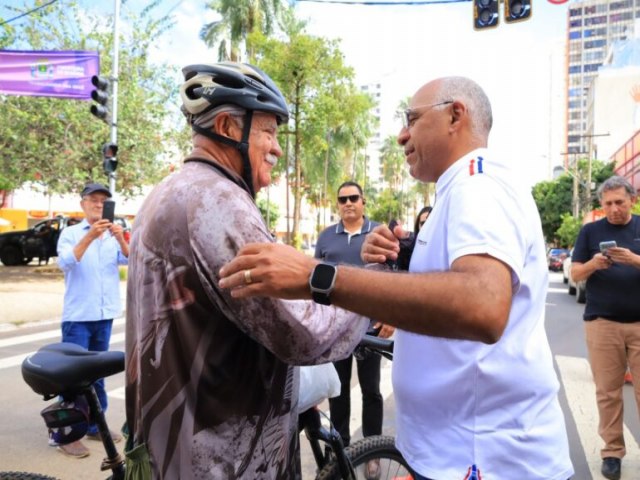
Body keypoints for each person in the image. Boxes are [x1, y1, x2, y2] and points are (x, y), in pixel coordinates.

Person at [219, 76, 574, 480]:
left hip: (484, 459)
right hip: (455, 452)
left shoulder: (478, 186)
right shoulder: (457, 190)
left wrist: (317, 277)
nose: (402, 135)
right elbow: (454, 287)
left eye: (412, 119)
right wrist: (403, 257)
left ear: (455, 114)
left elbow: (482, 304)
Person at [124, 61, 369, 479]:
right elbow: (301, 334)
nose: (276, 148)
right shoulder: (217, 203)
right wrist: (365, 304)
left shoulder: (170, 190)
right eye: (269, 132)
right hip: (223, 461)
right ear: (226, 126)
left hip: (172, 448)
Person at [315, 180, 394, 479]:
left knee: (372, 391)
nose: (348, 203)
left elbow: (393, 277)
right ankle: (342, 450)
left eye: (353, 198)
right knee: (338, 392)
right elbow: (316, 281)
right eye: (342, 199)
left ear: (363, 201)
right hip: (335, 331)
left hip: (370, 330)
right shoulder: (325, 238)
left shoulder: (378, 234)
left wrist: (390, 318)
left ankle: (372, 451)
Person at [570, 175, 640, 480]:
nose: (614, 209)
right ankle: (612, 452)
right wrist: (594, 265)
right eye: (608, 203)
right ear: (601, 204)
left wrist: (635, 260)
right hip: (602, 323)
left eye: (619, 203)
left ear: (632, 200)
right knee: (608, 393)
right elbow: (574, 274)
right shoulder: (589, 232)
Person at [54, 182, 128, 458]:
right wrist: (89, 238)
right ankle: (66, 434)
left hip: (104, 314)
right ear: (82, 203)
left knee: (97, 373)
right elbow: (64, 263)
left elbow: (131, 260)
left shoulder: (112, 234)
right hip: (78, 316)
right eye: (94, 200)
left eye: (103, 201)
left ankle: (96, 425)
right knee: (71, 377)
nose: (99, 204)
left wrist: (120, 238)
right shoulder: (71, 233)